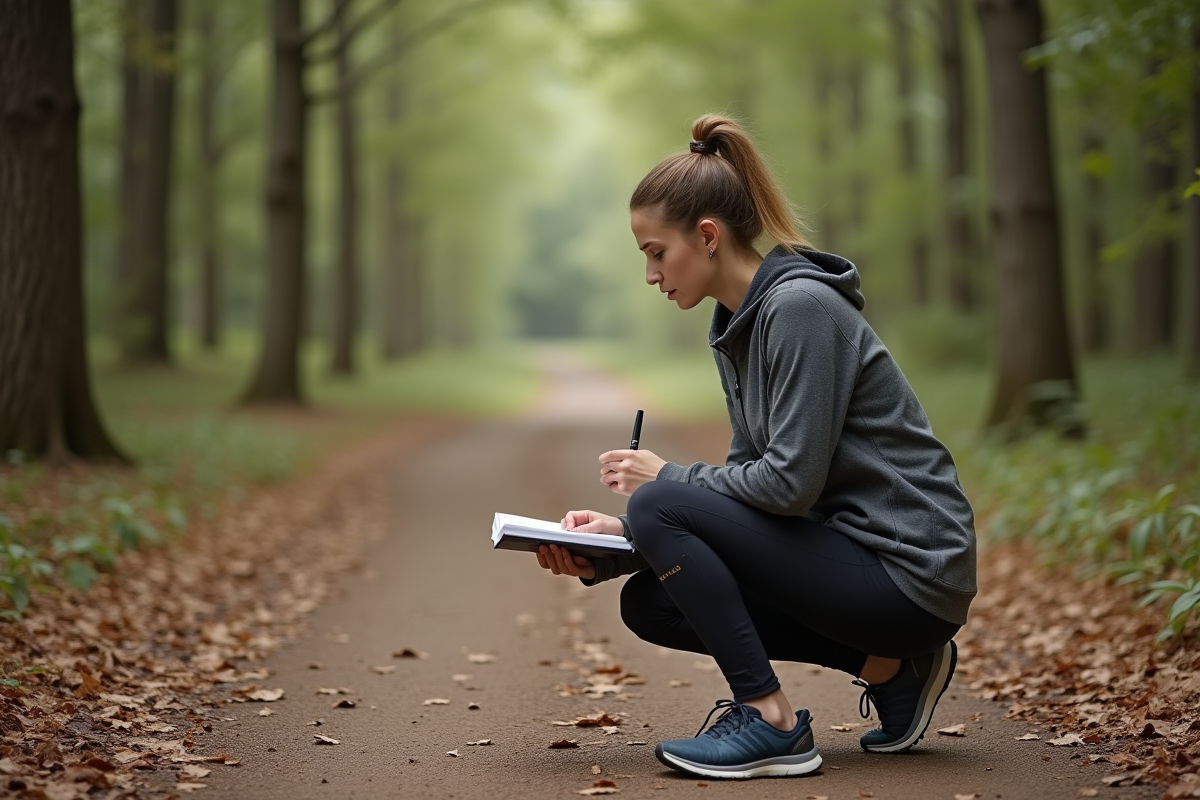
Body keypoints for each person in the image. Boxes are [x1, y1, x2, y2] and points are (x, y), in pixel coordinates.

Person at [534, 114, 977, 781]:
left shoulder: (800, 308)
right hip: (857, 561)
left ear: (707, 236)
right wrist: (619, 543)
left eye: (657, 252)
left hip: (910, 570)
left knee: (662, 499)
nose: (651, 274)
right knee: (651, 600)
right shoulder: (740, 322)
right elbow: (749, 485)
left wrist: (666, 485)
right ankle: (892, 669)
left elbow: (788, 488)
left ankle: (771, 723)